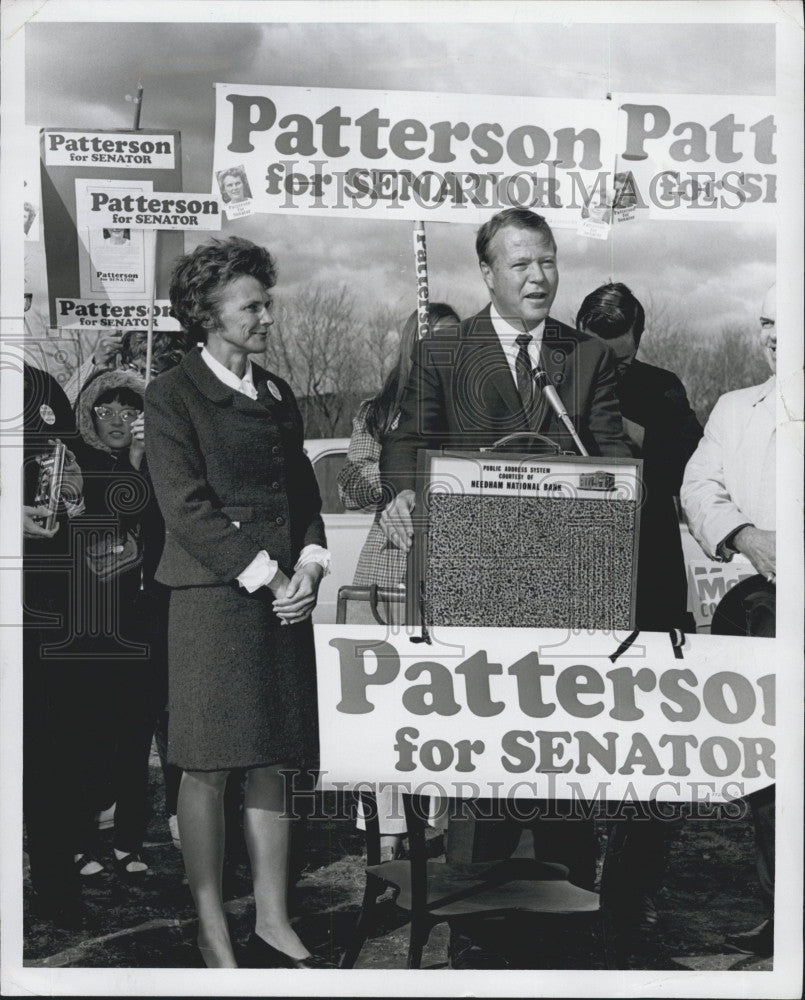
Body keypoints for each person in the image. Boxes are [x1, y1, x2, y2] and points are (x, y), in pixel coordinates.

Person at [380, 207, 632, 967]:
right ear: (486, 273)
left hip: (566, 600)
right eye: (520, 264)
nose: (538, 276)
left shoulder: (585, 356)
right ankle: (475, 933)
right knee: (483, 765)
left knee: (561, 762)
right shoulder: (441, 352)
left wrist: (613, 485)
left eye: (547, 261)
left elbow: (614, 455)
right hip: (472, 598)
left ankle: (565, 924)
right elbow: (405, 441)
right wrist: (398, 493)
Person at [145, 236, 333, 969]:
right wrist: (268, 574)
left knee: (273, 763)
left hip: (283, 600)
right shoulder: (172, 395)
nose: (266, 317)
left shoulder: (280, 394)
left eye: (266, 302)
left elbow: (303, 497)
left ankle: (274, 918)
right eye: (251, 306)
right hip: (212, 602)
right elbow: (185, 509)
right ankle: (210, 922)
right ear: (205, 313)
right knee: (207, 765)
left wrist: (311, 569)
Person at [575, 282, 703, 937]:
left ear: (638, 345)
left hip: (648, 588)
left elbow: (689, 466)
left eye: (620, 359)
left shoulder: (662, 387)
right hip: (570, 589)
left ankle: (632, 890)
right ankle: (564, 882)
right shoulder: (550, 383)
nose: (612, 369)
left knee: (651, 747)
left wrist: (620, 428)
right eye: (600, 357)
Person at [338, 302, 459, 862]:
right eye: (432, 338)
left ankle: (446, 828)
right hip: (388, 568)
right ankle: (386, 833)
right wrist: (387, 495)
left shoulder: (479, 408)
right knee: (384, 704)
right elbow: (351, 480)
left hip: (456, 574)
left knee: (451, 700)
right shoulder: (379, 409)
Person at [681, 283, 777, 958]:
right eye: (766, 323)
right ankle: (782, 911)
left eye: (788, 324)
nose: (774, 336)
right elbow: (698, 485)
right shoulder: (736, 408)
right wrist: (745, 535)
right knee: (767, 777)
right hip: (762, 609)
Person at [70, 370, 157, 880]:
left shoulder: (154, 462)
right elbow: (108, 514)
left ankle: (128, 840)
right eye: (107, 411)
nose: (120, 420)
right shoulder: (81, 464)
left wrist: (144, 462)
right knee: (90, 736)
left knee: (135, 734)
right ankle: (82, 842)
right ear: (90, 417)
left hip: (142, 619)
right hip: (93, 620)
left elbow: (155, 517)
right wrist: (132, 466)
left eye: (131, 411)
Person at [22, 360, 87, 927]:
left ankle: (55, 881)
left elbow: (67, 467)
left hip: (41, 596)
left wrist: (70, 492)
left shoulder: (42, 386)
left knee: (47, 745)